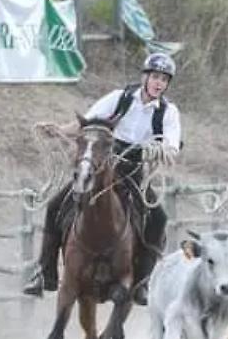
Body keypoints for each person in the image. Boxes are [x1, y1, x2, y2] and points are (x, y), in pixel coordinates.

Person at [24, 53, 182, 305]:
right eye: (155, 77)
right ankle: (46, 274)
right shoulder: (120, 98)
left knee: (159, 219)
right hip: (104, 166)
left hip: (134, 172)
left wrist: (161, 151)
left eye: (164, 79)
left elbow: (172, 146)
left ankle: (142, 283)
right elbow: (86, 124)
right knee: (55, 205)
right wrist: (58, 130)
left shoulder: (168, 112)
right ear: (145, 77)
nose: (159, 83)